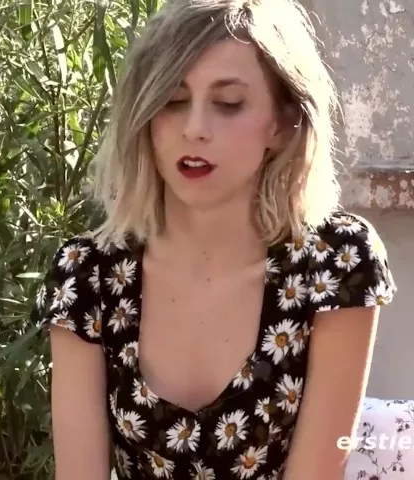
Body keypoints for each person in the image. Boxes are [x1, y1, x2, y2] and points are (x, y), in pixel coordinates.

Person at [30, 0, 397, 478]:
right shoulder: (88, 274)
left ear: (282, 124)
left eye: (228, 104)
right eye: (173, 100)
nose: (194, 129)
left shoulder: (335, 263)